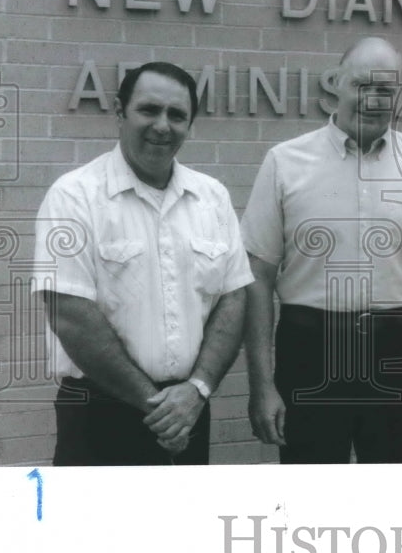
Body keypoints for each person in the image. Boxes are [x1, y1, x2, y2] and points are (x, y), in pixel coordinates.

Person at [240, 37, 402, 463]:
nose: (373, 98)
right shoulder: (284, 162)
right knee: (309, 498)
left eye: (386, 89)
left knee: (391, 499)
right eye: (362, 85)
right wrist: (262, 384)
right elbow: (256, 278)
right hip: (310, 350)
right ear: (336, 85)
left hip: (396, 351)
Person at [33, 61, 252, 465]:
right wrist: (160, 407)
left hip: (190, 408)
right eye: (149, 110)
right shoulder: (74, 196)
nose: (162, 126)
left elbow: (233, 297)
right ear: (120, 113)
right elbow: (71, 316)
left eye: (177, 115)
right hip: (100, 412)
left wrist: (198, 389)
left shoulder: (213, 197)